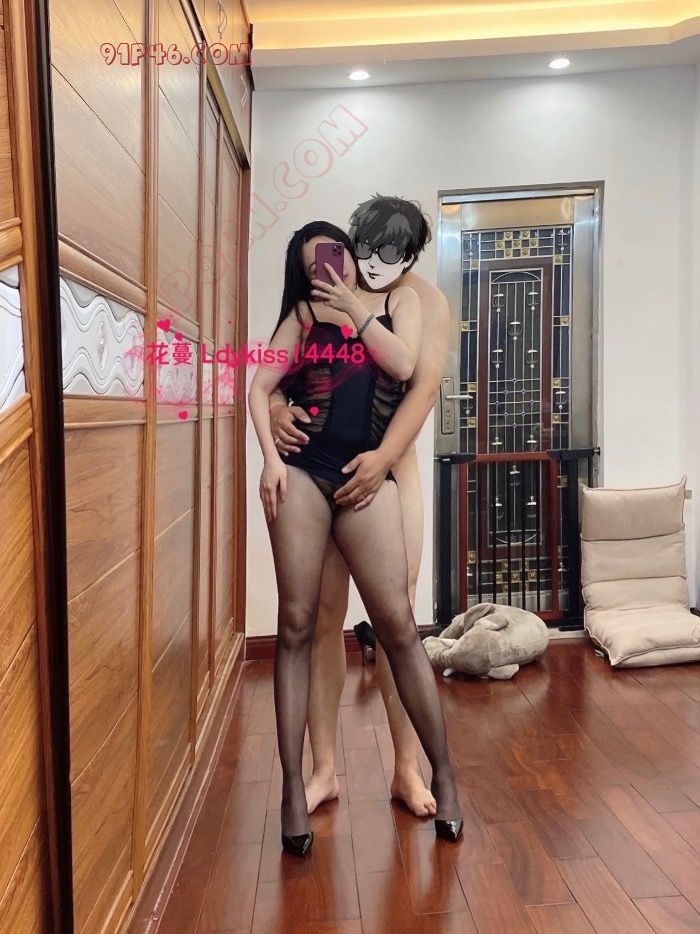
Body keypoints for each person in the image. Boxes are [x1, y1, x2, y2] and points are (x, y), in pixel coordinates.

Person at [248, 220, 462, 856]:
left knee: (397, 623)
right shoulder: (305, 315)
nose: (334, 268)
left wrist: (354, 309)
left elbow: (410, 374)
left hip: (375, 473)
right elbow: (263, 385)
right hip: (306, 474)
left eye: (337, 256)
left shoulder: (407, 302)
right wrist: (272, 441)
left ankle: (432, 773)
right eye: (316, 263)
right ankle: (301, 785)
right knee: (301, 623)